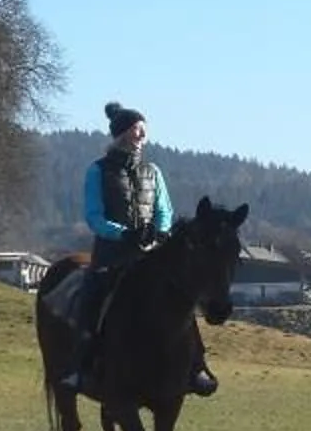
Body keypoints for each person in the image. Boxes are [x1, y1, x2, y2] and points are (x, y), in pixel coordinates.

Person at [62, 101, 219, 397]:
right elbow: (94, 217)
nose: (141, 136)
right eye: (137, 130)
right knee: (92, 299)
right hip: (112, 255)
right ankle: (80, 367)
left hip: (150, 256)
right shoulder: (97, 171)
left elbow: (164, 209)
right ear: (122, 134)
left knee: (182, 299)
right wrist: (125, 234)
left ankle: (196, 365)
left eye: (144, 131)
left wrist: (159, 231)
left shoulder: (153, 171)